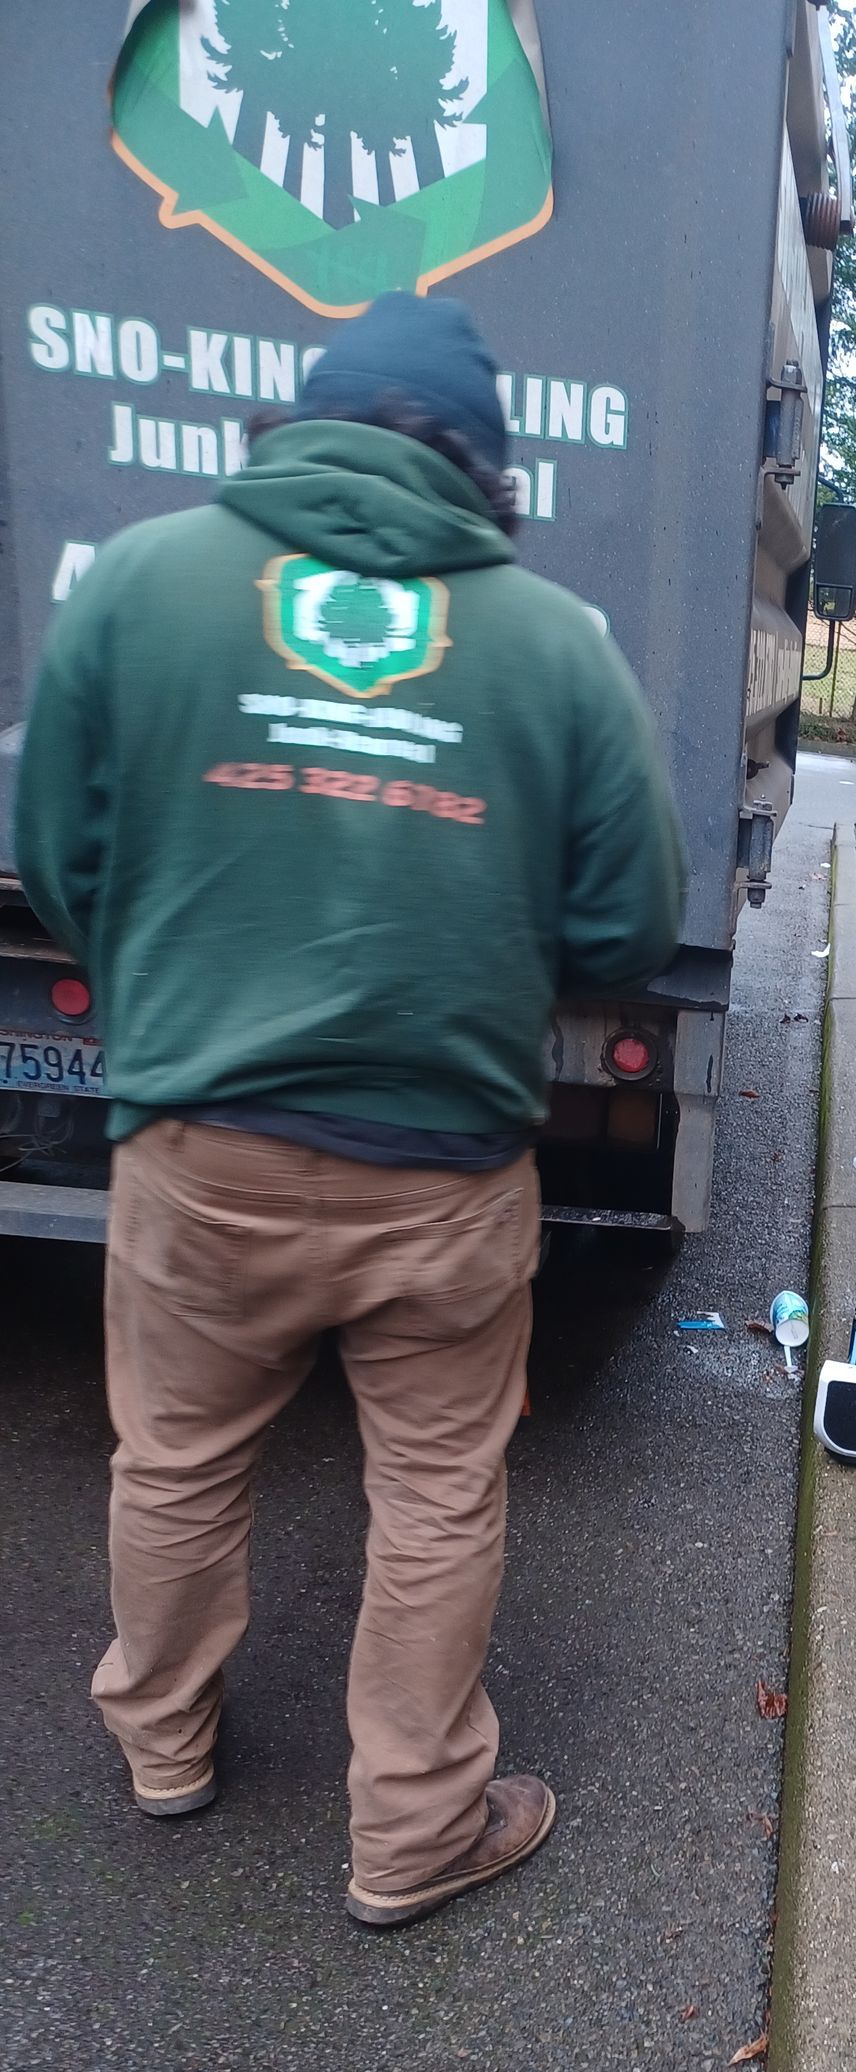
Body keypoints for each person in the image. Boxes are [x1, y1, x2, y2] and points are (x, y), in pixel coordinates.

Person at [13, 293, 687, 1927]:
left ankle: (164, 1748)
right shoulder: (556, 645)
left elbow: (51, 852)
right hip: (446, 1171)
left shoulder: (146, 584)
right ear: (483, 466)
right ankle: (412, 1833)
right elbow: (628, 932)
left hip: (201, 1147)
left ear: (301, 425)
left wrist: (170, 993)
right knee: (438, 1495)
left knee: (172, 1461)